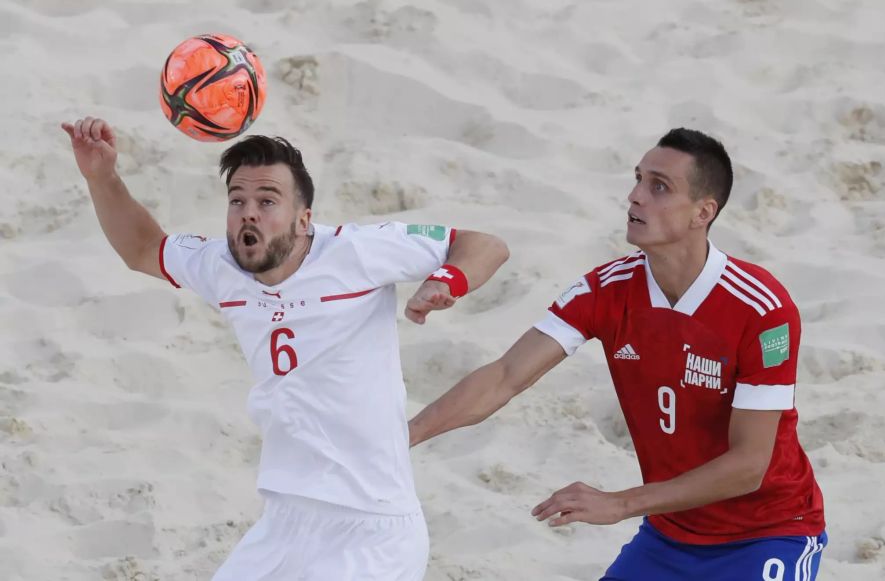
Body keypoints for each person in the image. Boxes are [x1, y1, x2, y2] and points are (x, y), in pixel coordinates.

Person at [61, 116, 509, 581]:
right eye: (237, 201)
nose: (248, 212)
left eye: (267, 200)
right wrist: (102, 176)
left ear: (303, 218)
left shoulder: (357, 252)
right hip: (284, 523)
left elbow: (483, 245)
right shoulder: (221, 266)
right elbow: (141, 249)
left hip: (372, 530)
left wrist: (446, 280)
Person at [408, 128, 827, 581]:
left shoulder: (762, 307)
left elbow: (749, 467)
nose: (634, 197)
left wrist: (621, 502)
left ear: (703, 212)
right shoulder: (606, 289)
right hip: (670, 535)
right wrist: (402, 437)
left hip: (769, 531)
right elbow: (506, 375)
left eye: (659, 187)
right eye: (638, 179)